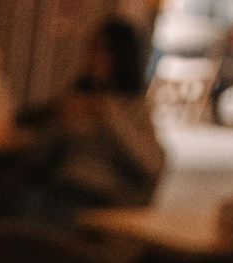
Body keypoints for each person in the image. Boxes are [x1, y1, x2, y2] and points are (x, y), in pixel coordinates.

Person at [20, 17, 163, 219]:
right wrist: (61, 120)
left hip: (102, 199)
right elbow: (37, 158)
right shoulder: (77, 98)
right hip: (59, 188)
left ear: (121, 56)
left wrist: (108, 114)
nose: (93, 57)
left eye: (103, 50)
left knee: (27, 207)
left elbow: (150, 164)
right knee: (5, 200)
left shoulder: (132, 107)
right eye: (91, 48)